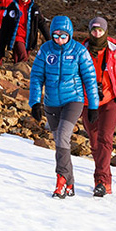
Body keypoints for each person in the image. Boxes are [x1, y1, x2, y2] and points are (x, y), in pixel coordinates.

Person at [28, 15, 100, 199]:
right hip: (51, 102)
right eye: (56, 35)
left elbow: (90, 79)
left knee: (62, 136)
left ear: (70, 34)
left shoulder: (79, 51)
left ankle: (61, 180)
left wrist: (93, 105)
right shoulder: (46, 50)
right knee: (61, 142)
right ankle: (70, 183)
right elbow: (36, 77)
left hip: (73, 100)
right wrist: (35, 102)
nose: (59, 40)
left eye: (63, 36)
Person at [80, 16, 116, 197]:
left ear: (105, 32)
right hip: (88, 103)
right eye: (94, 30)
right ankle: (106, 179)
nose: (97, 34)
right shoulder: (81, 51)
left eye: (100, 30)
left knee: (105, 139)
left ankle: (101, 181)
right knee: (95, 143)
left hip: (109, 102)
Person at [0, 0, 49, 65]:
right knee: (23, 58)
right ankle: (24, 71)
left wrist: (49, 39)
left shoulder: (34, 8)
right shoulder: (12, 8)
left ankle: (16, 71)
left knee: (19, 59)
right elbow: (5, 26)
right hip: (17, 37)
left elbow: (42, 24)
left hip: (29, 38)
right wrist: (1, 47)